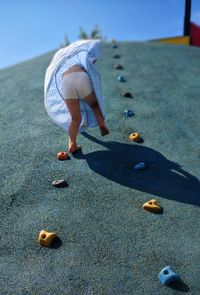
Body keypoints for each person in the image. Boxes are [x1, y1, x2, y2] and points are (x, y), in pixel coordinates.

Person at [44, 39, 109, 153]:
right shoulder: (79, 55)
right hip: (80, 77)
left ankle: (72, 143)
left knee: (75, 117)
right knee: (94, 105)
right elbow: (90, 64)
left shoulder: (61, 60)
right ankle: (101, 124)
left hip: (66, 82)